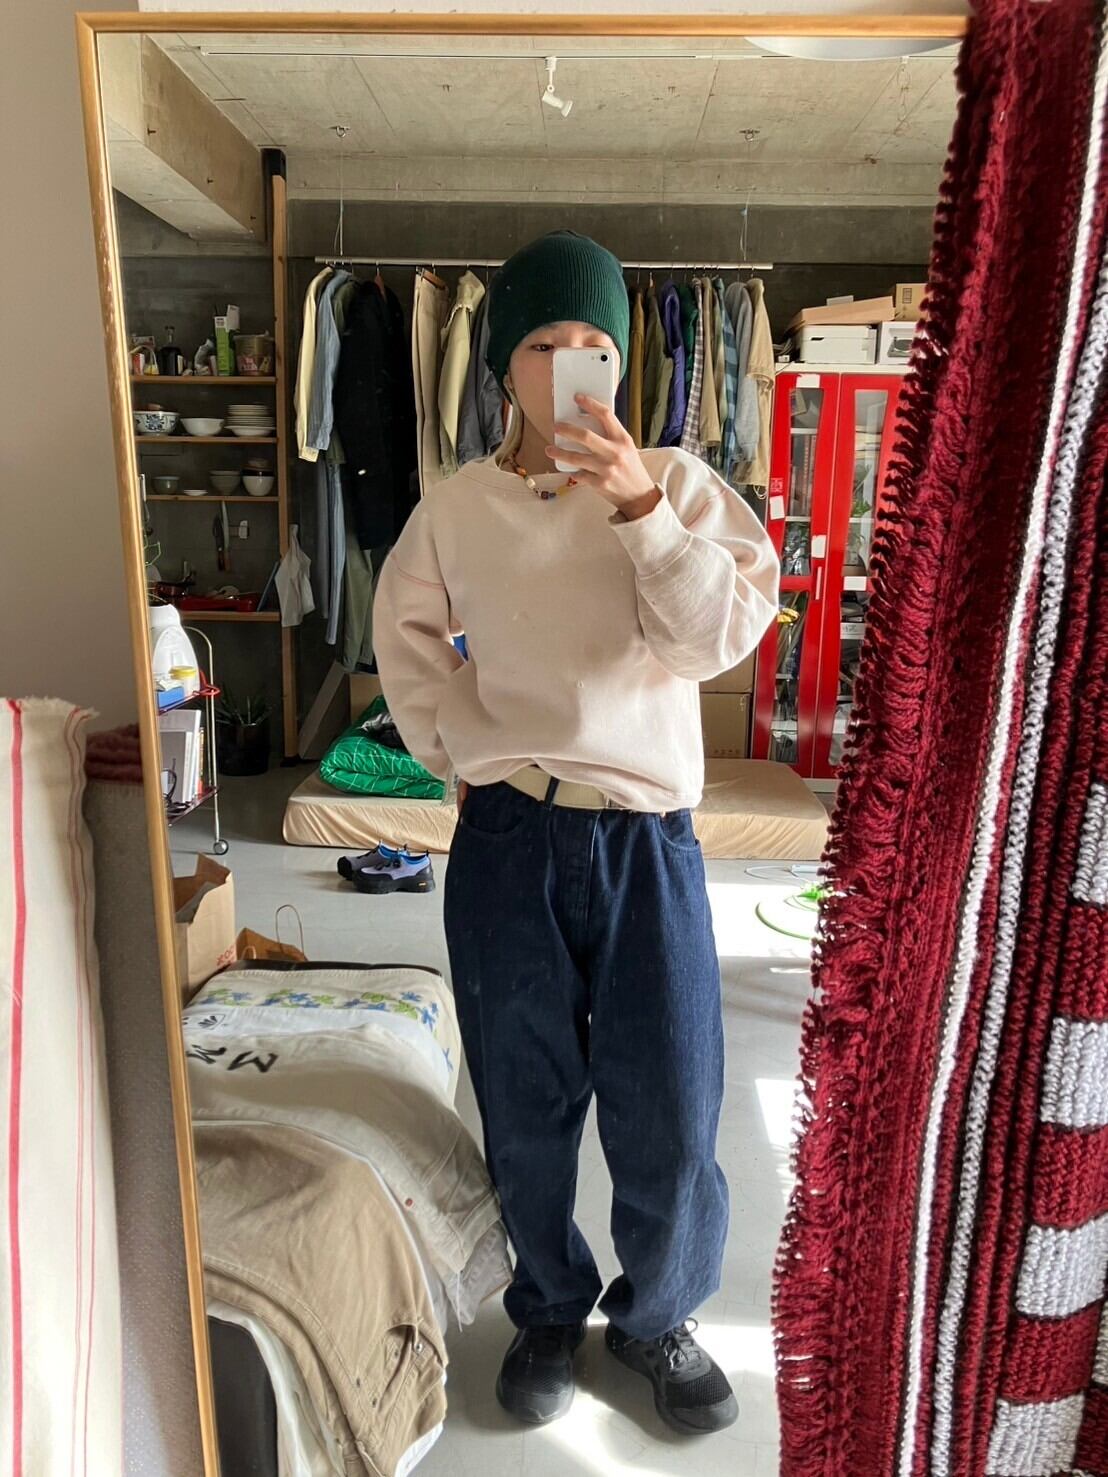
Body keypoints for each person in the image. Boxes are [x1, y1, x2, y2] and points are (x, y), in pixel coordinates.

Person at [374, 231, 779, 1437]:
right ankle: (548, 1305)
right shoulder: (458, 508)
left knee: (674, 1101)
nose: (568, 365)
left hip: (647, 841)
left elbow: (715, 639)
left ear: (620, 361)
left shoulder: (681, 485)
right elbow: (404, 640)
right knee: (523, 1097)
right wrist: (456, 749)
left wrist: (640, 509)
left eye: (592, 343)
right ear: (505, 367)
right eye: (543, 344)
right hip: (509, 835)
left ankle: (657, 1316)